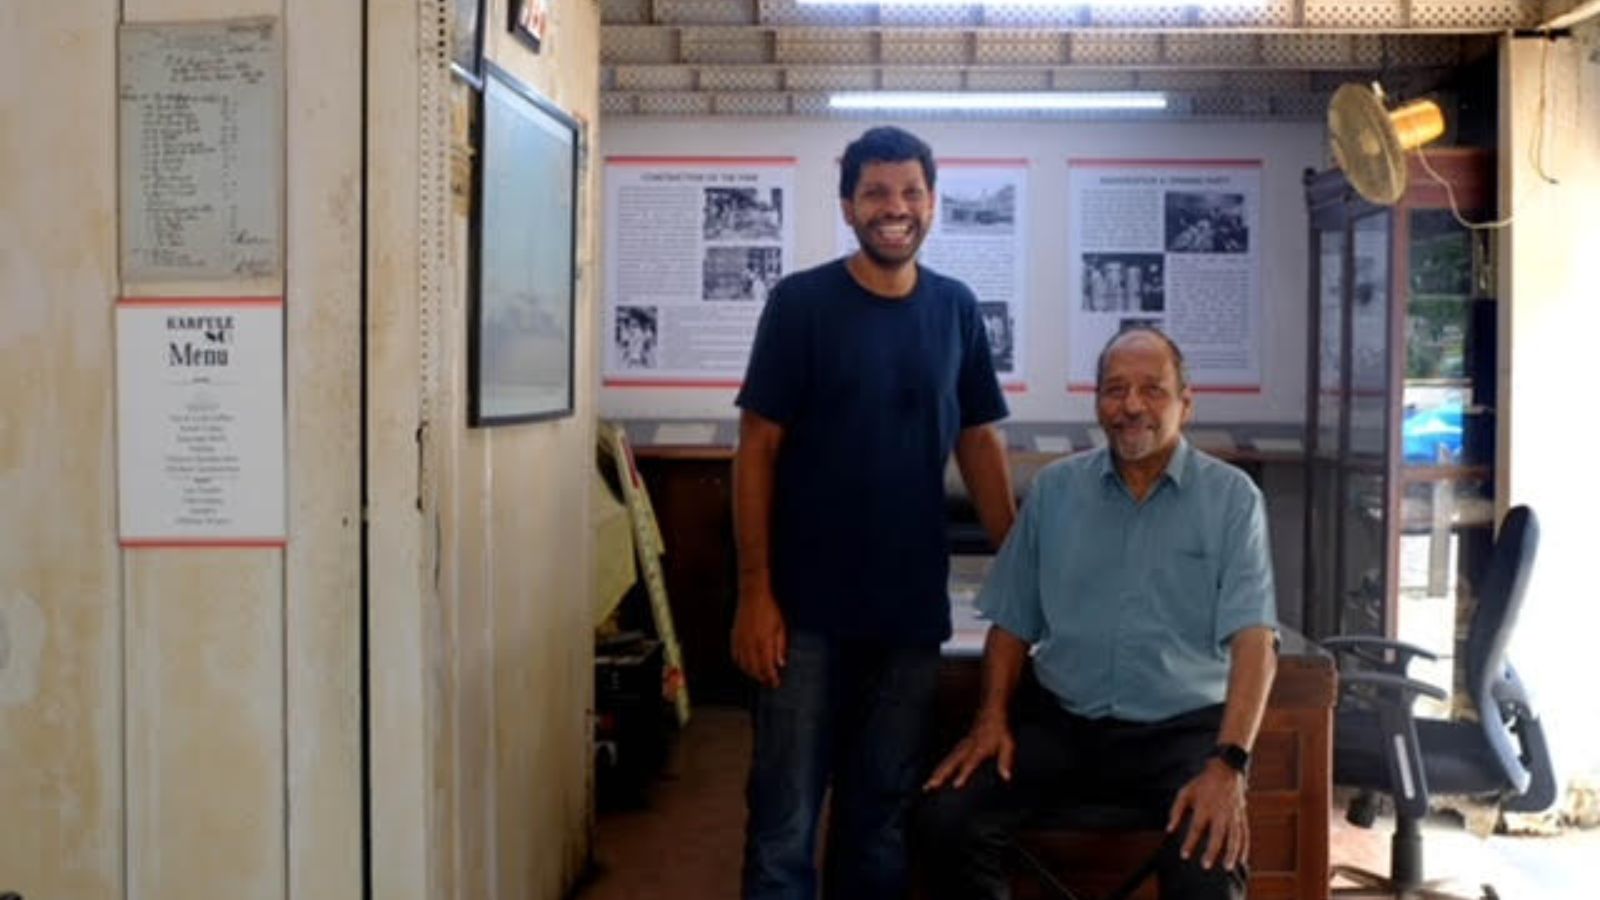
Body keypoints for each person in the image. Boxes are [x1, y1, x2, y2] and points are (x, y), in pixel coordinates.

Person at [732, 125, 1018, 900]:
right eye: (877, 193)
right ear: (848, 206)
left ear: (933, 201)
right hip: (802, 617)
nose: (896, 208)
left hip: (907, 618)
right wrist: (755, 594)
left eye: (911, 193)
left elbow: (979, 441)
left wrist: (1025, 571)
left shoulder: (956, 309)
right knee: (784, 822)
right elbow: (756, 447)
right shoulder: (801, 305)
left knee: (880, 819)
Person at [917, 326, 1278, 900]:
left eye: (1152, 389)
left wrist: (1229, 763)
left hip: (1181, 733)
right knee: (945, 819)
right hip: (1065, 725)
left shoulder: (1233, 499)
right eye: (1115, 389)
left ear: (1186, 403)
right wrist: (991, 719)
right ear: (1098, 403)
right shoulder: (1055, 490)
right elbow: (1011, 623)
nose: (1131, 405)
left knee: (1207, 862)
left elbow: (1255, 641)